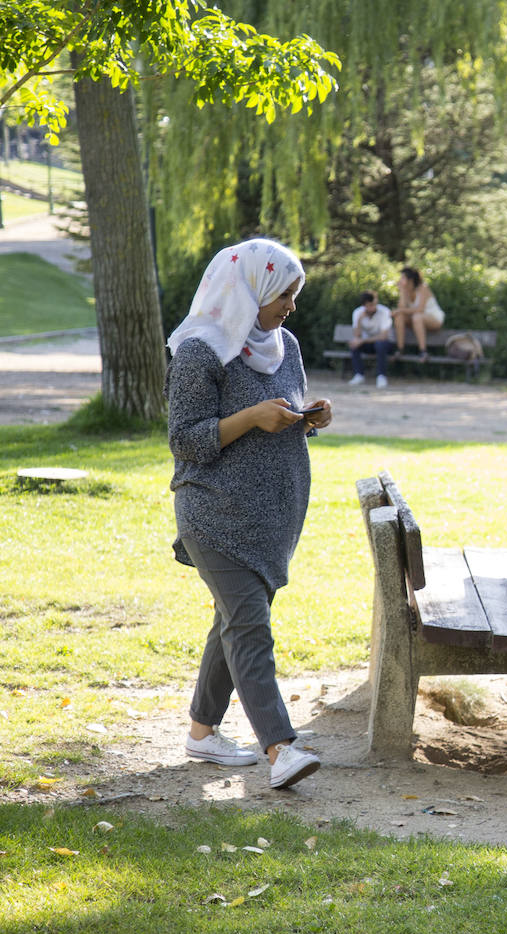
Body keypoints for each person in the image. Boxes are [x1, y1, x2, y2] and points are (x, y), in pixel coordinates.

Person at [165, 237, 330, 791]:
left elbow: (280, 411)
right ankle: (280, 748)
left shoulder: (284, 345)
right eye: (283, 293)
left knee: (233, 622)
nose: (290, 305)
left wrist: (308, 417)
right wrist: (251, 417)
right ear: (248, 288)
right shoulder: (200, 352)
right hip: (215, 513)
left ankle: (201, 732)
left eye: (294, 294)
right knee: (250, 627)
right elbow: (186, 440)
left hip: (270, 520)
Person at [391, 266, 444, 361]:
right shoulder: (406, 291)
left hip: (434, 319)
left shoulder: (423, 288)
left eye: (403, 277)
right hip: (416, 321)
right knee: (399, 317)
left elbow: (420, 309)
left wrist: (400, 311)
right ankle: (400, 350)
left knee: (417, 317)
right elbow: (401, 308)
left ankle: (423, 352)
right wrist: (402, 292)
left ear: (410, 280)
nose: (400, 280)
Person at [347, 289, 394, 388]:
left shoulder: (384, 312)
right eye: (370, 305)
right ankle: (359, 375)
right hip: (368, 344)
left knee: (380, 344)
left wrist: (362, 340)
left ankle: (381, 376)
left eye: (374, 304)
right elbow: (357, 335)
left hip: (385, 344)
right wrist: (359, 320)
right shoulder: (357, 313)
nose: (373, 308)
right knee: (354, 344)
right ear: (364, 306)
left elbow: (383, 336)